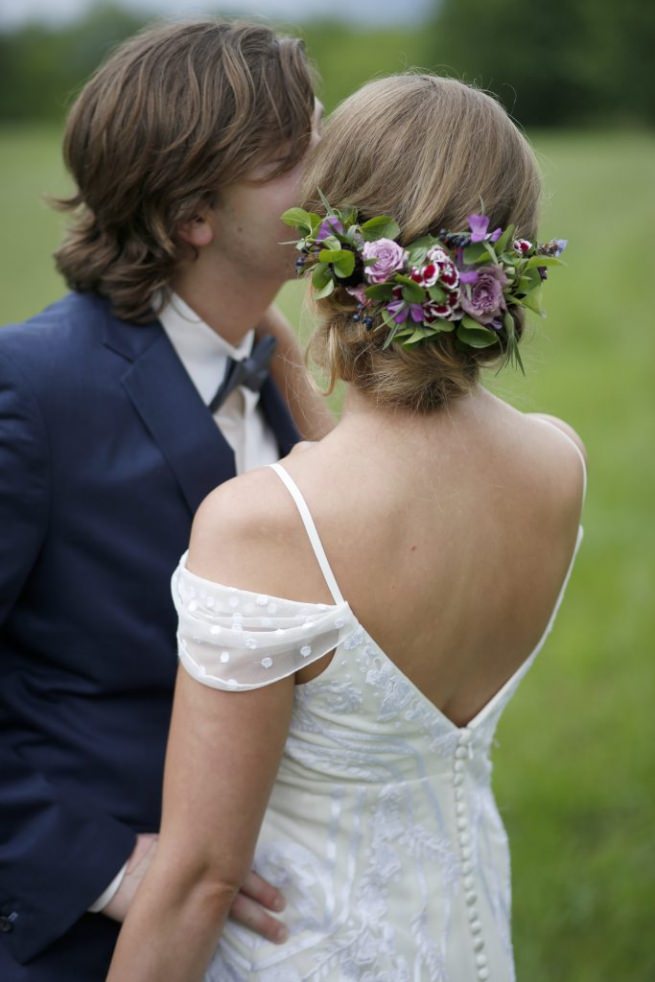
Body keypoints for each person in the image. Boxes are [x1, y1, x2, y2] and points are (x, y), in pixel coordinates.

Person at [107, 74, 587, 981]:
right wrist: (287, 352)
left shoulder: (262, 524)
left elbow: (202, 877)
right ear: (509, 253)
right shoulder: (557, 463)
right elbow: (405, 495)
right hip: (466, 933)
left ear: (324, 240)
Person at [0, 19, 332, 981]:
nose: (334, 174)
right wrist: (105, 868)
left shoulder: (273, 366)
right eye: (295, 158)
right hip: (87, 940)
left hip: (273, 920)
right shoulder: (32, 390)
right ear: (194, 217)